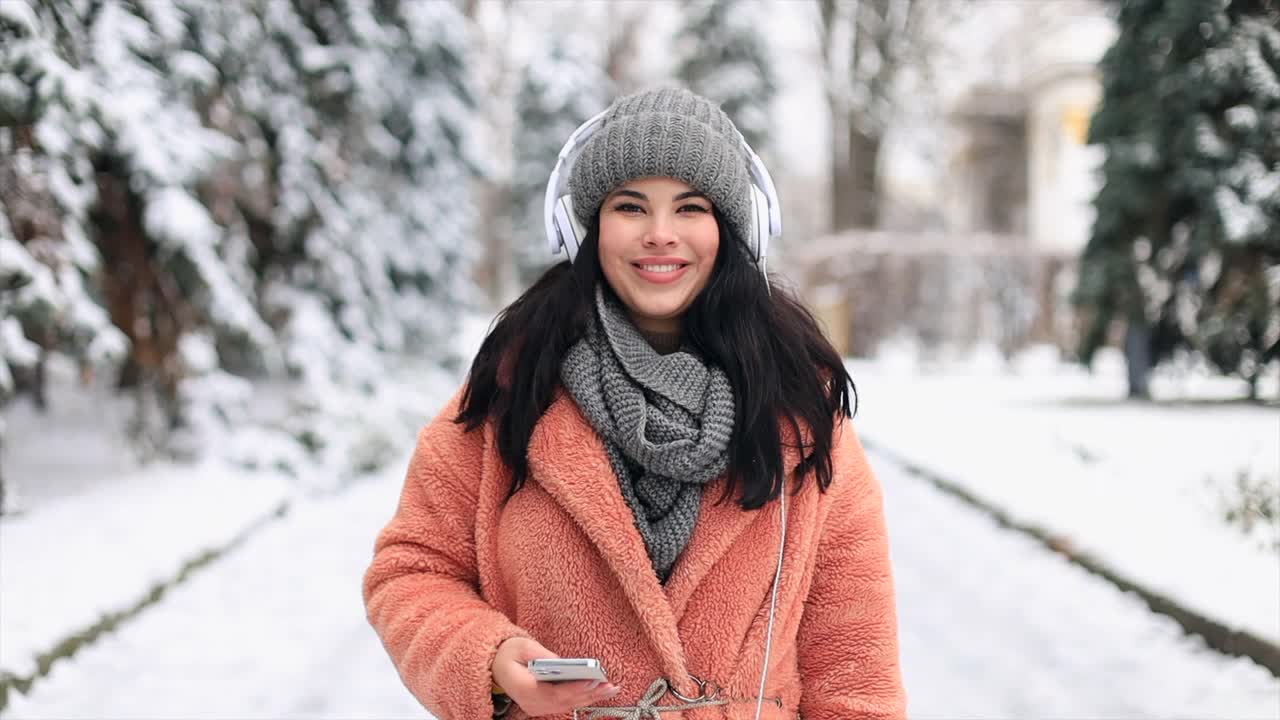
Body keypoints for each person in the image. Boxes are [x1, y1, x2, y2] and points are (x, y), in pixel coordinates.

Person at [363, 87, 906, 720]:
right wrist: (490, 659)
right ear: (586, 228)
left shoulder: (800, 416)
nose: (660, 235)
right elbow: (410, 571)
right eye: (630, 206)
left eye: (690, 207)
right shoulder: (511, 394)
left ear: (732, 229)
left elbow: (855, 667)